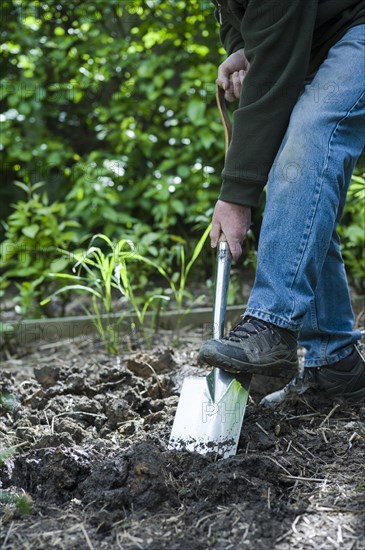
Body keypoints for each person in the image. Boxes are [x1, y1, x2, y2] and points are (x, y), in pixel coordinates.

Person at [198, 0, 365, 402]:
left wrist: (236, 197)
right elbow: (234, 13)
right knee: (298, 183)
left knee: (309, 136)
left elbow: (271, 75)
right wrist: (240, 47)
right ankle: (336, 365)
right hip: (316, 43)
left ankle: (272, 321)